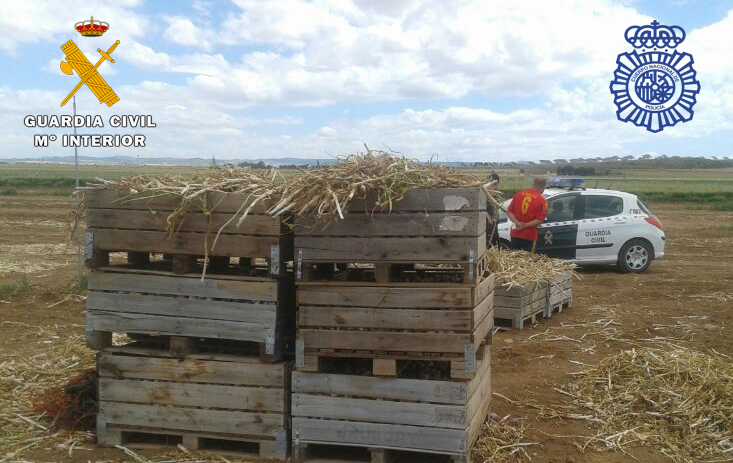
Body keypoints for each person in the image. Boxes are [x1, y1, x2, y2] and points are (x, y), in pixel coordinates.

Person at [506, 177, 548, 252]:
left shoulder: (518, 195)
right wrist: (524, 226)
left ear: (533, 184)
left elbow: (509, 212)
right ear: (543, 186)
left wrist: (517, 222)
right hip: (529, 236)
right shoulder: (542, 201)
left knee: (514, 259)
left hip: (515, 233)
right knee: (526, 260)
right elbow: (539, 220)